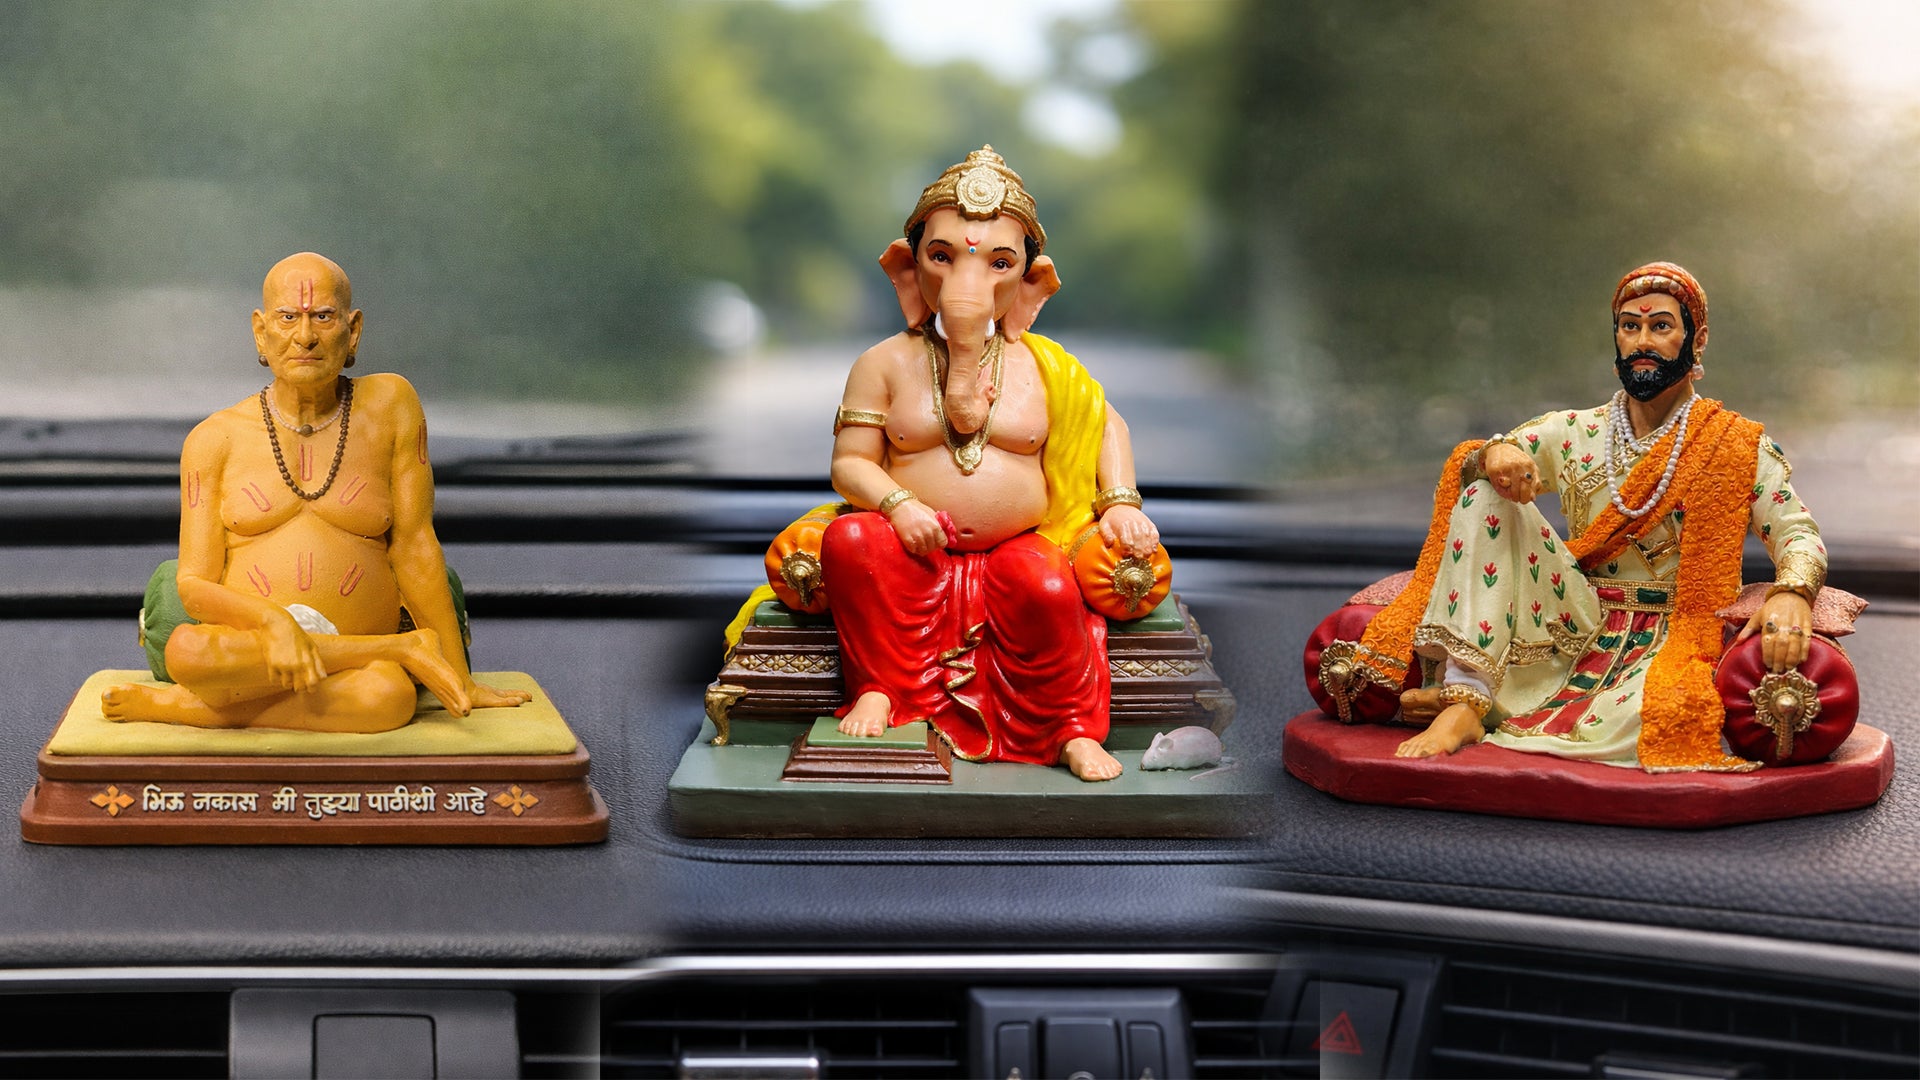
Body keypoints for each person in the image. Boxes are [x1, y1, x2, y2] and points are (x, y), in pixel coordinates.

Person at [1366, 262, 1823, 770]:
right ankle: (1466, 699)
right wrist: (1495, 454)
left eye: (1661, 326)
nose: (1642, 341)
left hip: (1672, 632)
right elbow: (1483, 463)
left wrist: (1793, 591)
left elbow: (1797, 531)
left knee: (1656, 714)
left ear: (1697, 340)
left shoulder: (1735, 445)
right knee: (1485, 492)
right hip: (1572, 618)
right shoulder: (1573, 432)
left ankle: (1530, 707)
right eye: (1630, 326)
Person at [821, 147, 1161, 782]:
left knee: (1049, 589)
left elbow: (1105, 425)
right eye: (942, 256)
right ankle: (882, 688)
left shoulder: (1045, 366)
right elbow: (850, 464)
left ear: (1031, 283)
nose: (967, 284)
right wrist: (899, 505)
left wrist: (1118, 501)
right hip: (911, 546)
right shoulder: (884, 363)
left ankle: (1068, 726)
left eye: (999, 263)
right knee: (851, 541)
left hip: (1019, 543)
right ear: (907, 268)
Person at [101, 252, 531, 732]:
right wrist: (274, 623)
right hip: (256, 656)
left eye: (322, 317)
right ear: (260, 332)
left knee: (389, 695)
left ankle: (179, 709)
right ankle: (398, 648)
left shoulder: (391, 407)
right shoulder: (213, 440)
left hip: (357, 671)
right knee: (186, 651)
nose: (304, 336)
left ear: (354, 330)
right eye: (288, 318)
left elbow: (415, 546)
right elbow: (194, 587)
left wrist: (461, 676)